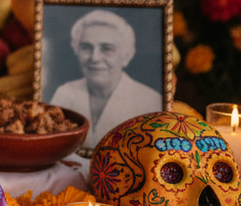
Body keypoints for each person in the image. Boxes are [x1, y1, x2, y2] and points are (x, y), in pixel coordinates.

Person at [50, 10, 162, 147]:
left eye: (107, 49)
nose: (95, 58)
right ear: (76, 51)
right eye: (86, 47)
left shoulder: (150, 102)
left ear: (126, 56)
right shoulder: (65, 93)